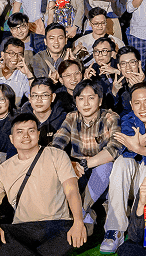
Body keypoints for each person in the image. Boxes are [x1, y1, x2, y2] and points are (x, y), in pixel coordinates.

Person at [0, 112, 87, 256]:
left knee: (79, 231)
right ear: (11, 139)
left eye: (31, 131)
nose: (26, 136)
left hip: (57, 225)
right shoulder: (2, 170)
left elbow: (71, 191)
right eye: (20, 132)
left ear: (38, 134)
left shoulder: (57, 155)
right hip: (24, 228)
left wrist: (78, 221)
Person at [102, 80, 146, 252]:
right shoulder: (128, 119)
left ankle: (138, 227)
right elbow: (125, 146)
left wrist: (139, 147)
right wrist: (139, 146)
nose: (142, 108)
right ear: (131, 105)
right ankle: (115, 229)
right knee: (121, 163)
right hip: (130, 181)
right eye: (137, 103)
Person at [51, 78, 120, 233]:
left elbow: (114, 149)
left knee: (106, 166)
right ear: (76, 102)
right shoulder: (71, 117)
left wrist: (85, 164)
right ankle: (87, 216)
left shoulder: (110, 117)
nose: (86, 103)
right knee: (56, 165)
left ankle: (81, 211)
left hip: (102, 174)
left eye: (91, 98)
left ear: (100, 101)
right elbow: (56, 145)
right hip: (79, 172)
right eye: (81, 99)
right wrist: (70, 164)